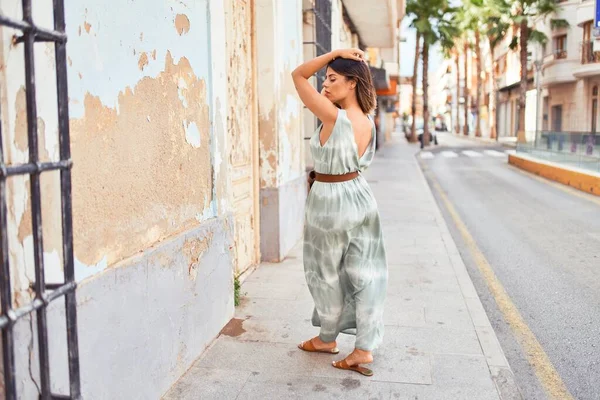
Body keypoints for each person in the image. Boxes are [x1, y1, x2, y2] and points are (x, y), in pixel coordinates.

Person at [291, 48, 388, 377]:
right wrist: (330, 85)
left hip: (331, 201)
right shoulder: (368, 122)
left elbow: (297, 75)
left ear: (352, 83)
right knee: (367, 273)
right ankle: (363, 348)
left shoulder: (334, 118)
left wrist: (331, 54)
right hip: (360, 196)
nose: (325, 84)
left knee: (326, 273)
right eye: (325, 79)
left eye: (332, 78)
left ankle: (327, 338)